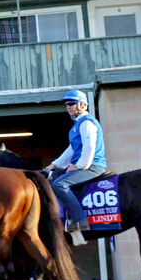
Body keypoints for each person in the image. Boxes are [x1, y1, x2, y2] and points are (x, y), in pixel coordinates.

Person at [44, 89, 107, 234]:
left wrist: (79, 166)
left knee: (59, 184)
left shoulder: (87, 123)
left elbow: (89, 147)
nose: (68, 106)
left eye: (72, 103)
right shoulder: (76, 126)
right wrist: (54, 164)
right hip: (84, 165)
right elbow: (71, 150)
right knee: (55, 177)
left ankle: (80, 220)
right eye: (67, 104)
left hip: (92, 166)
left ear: (83, 105)